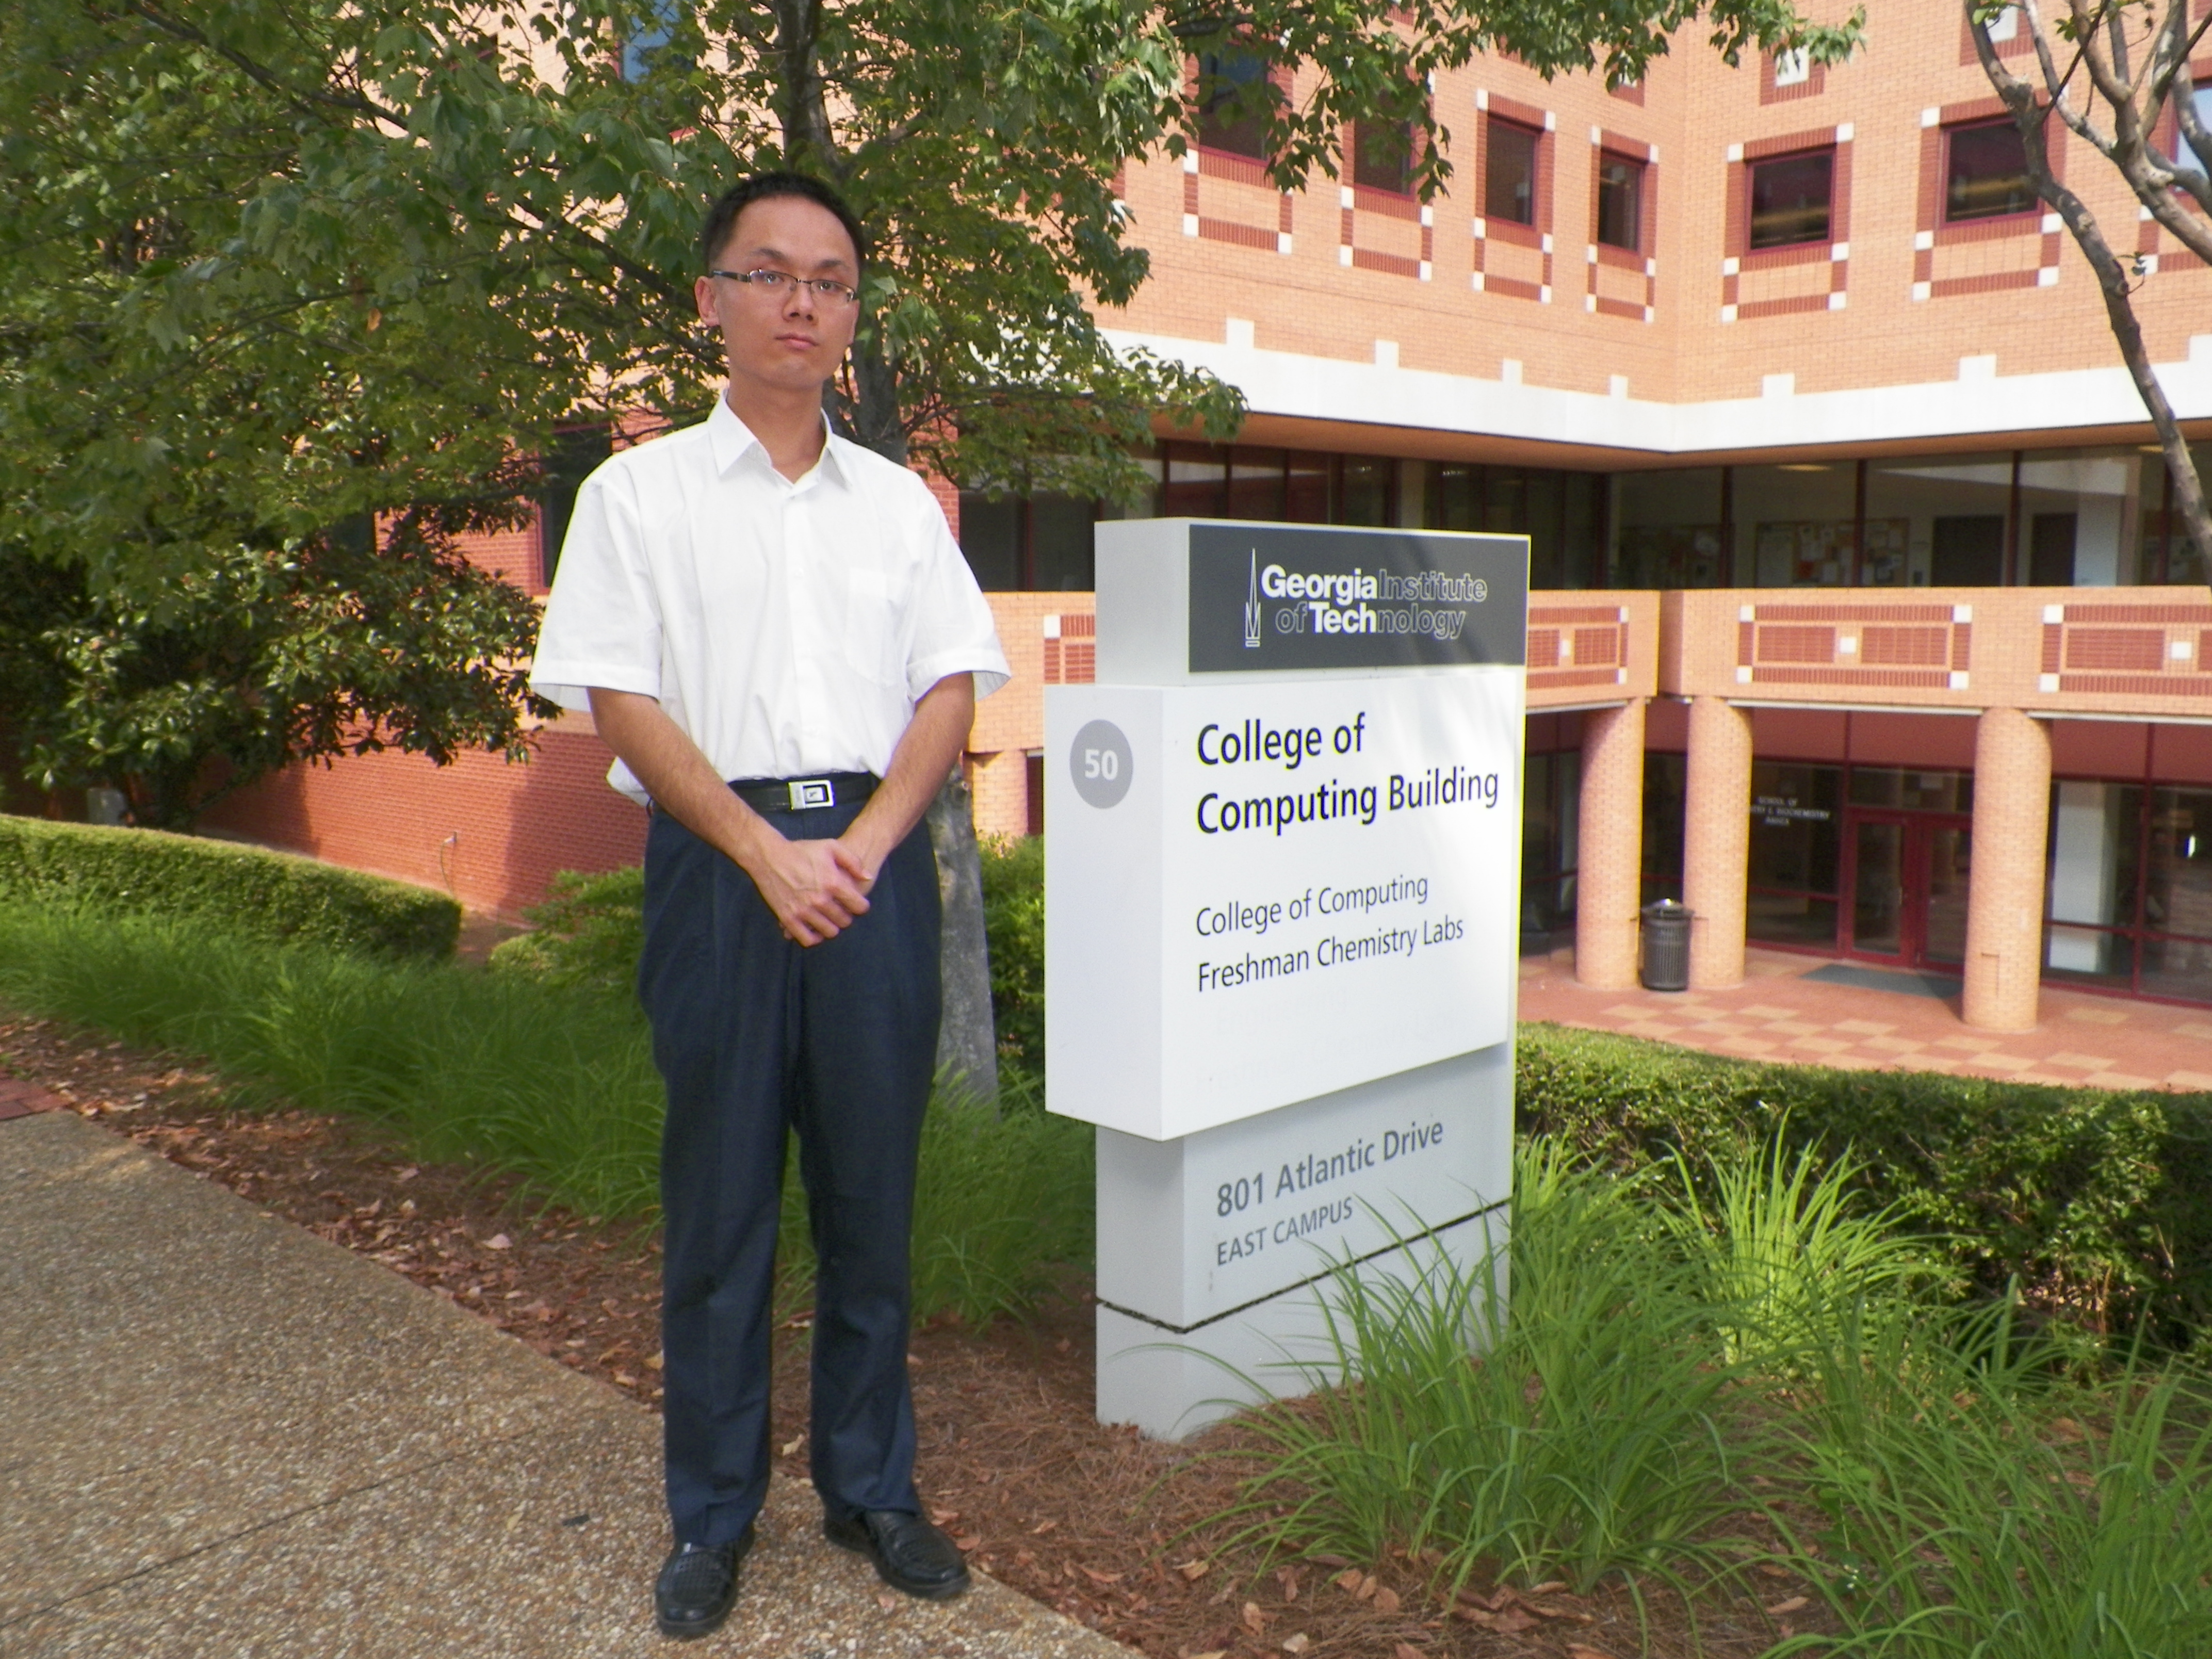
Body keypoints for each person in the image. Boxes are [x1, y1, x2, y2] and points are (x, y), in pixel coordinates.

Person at [529, 170, 1010, 1641]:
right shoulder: (638, 496)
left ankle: (872, 1490)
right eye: (771, 272)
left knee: (872, 1203)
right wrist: (763, 851)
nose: (804, 301)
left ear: (853, 311)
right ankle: (714, 1515)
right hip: (718, 873)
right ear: (713, 299)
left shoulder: (900, 508)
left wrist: (858, 845)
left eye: (832, 280)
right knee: (722, 1209)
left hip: (870, 871)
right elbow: (621, 700)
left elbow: (949, 686)